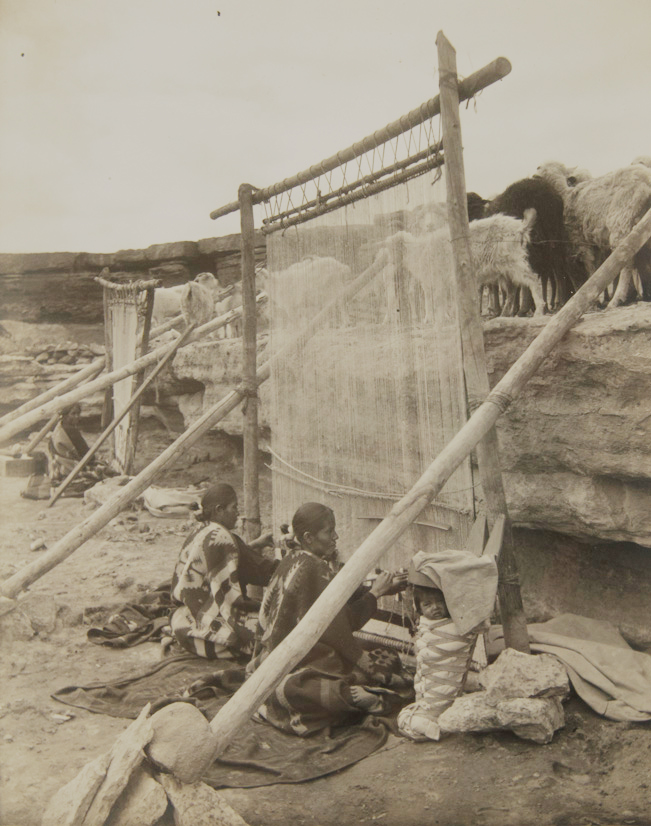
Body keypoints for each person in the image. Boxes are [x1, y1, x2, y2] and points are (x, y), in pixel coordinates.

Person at [247, 502, 413, 735]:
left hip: (274, 656)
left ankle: (341, 692)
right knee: (381, 665)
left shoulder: (291, 559)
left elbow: (338, 596)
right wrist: (376, 593)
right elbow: (343, 623)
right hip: (301, 660)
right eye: (328, 531)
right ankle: (353, 695)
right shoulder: (314, 567)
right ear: (308, 537)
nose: (335, 536)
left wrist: (380, 588)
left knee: (381, 655)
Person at [397, 549, 498, 741]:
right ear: (419, 608)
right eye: (427, 604)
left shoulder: (456, 626)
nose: (435, 608)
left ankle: (434, 715)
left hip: (444, 685)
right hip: (428, 689)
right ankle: (428, 711)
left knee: (426, 707)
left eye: (439, 602)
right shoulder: (424, 624)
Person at [170, 483, 277, 659]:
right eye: (234, 507)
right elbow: (265, 573)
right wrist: (296, 556)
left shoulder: (202, 529)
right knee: (272, 632)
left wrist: (254, 545)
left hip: (182, 620)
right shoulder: (223, 538)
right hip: (208, 631)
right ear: (219, 510)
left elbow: (229, 560)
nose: (237, 513)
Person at [48, 403, 113, 496]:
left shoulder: (59, 427)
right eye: (73, 414)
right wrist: (97, 460)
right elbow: (87, 455)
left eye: (78, 413)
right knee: (106, 471)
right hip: (68, 467)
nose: (77, 417)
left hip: (58, 467)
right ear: (65, 415)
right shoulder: (70, 430)